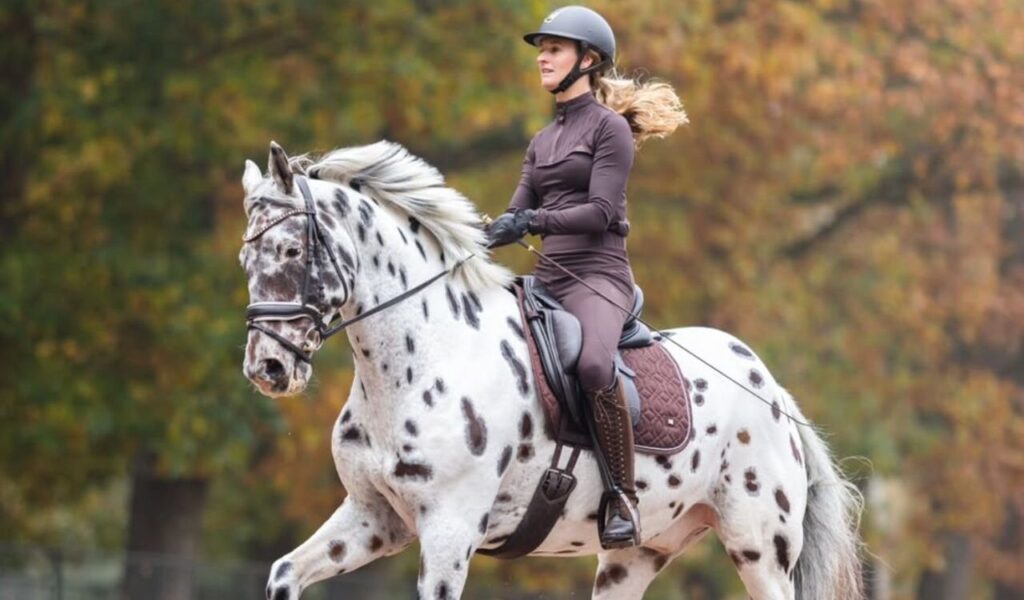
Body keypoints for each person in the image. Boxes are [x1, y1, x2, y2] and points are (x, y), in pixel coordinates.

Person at [486, 5, 688, 548]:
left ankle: (621, 495)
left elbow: (600, 212)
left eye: (554, 49)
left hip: (599, 277)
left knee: (595, 363)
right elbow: (517, 210)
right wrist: (486, 232)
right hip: (547, 279)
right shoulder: (541, 141)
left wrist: (532, 220)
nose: (543, 58)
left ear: (588, 59)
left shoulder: (611, 130)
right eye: (541, 50)